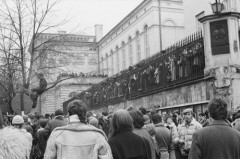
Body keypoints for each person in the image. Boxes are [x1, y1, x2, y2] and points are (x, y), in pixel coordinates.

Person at [44, 100, 112, 159]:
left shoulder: (57, 135)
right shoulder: (98, 136)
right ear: (85, 114)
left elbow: (48, 157)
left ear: (68, 115)